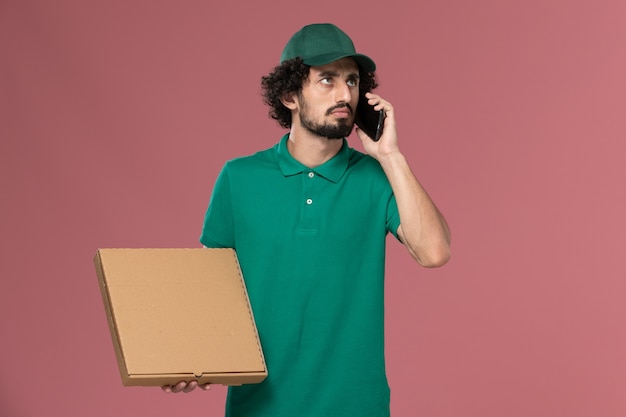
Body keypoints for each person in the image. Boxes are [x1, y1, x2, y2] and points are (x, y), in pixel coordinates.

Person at [163, 23, 451, 417]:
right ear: (289, 95)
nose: (344, 94)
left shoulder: (376, 179)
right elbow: (208, 290)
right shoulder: (239, 178)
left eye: (352, 81)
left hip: (357, 408)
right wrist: (189, 357)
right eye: (327, 80)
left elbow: (434, 251)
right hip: (259, 408)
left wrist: (391, 156)